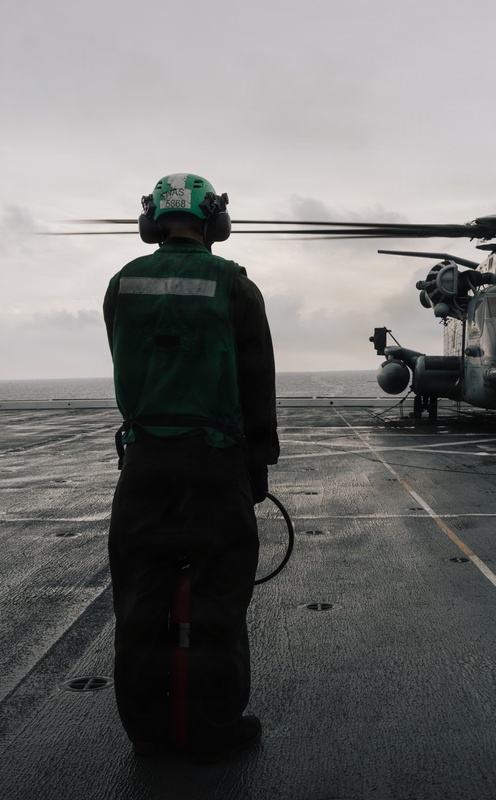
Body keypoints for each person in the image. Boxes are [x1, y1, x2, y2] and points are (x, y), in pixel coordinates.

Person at [103, 173, 279, 762]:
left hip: (145, 464)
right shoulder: (234, 285)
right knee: (217, 606)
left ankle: (148, 733)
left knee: (138, 604)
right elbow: (256, 384)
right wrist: (258, 467)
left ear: (151, 219)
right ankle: (213, 727)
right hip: (214, 466)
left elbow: (126, 358)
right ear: (215, 222)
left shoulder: (121, 283)